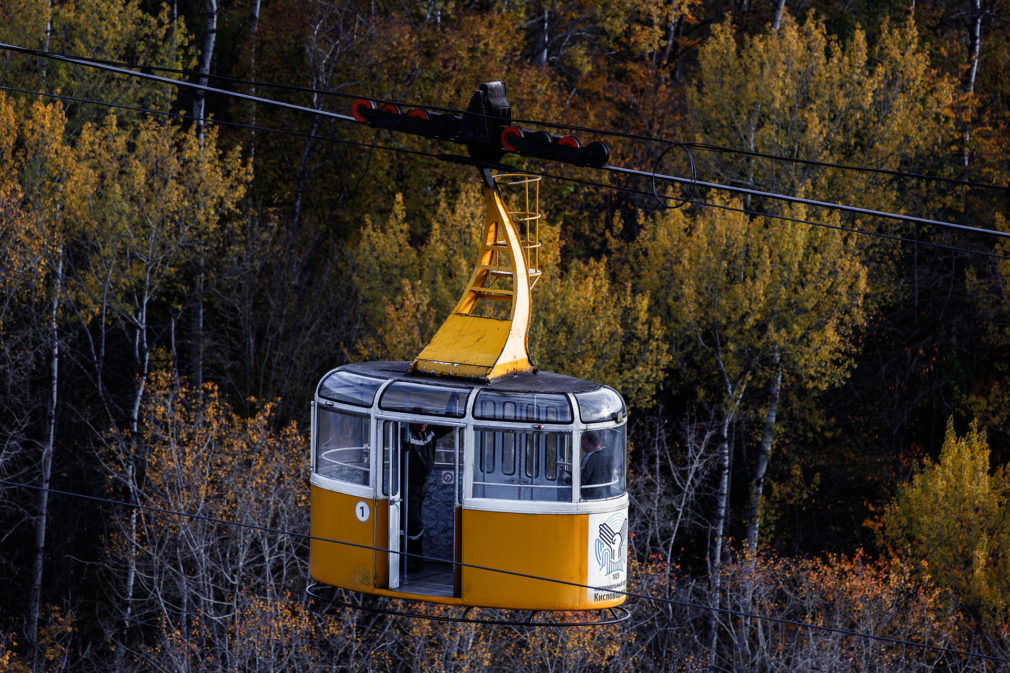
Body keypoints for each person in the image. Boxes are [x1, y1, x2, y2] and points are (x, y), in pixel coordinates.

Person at [402, 422, 450, 572]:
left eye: (425, 421)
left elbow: (449, 422)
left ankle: (413, 560)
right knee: (413, 525)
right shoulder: (404, 433)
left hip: (422, 487)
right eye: (419, 421)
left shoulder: (431, 432)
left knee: (411, 526)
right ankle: (413, 560)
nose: (422, 424)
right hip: (406, 487)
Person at [580, 430, 611, 500]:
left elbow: (581, 480)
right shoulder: (606, 454)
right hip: (605, 496)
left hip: (589, 498)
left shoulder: (589, 457)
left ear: (585, 441)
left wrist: (567, 478)